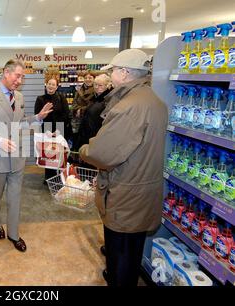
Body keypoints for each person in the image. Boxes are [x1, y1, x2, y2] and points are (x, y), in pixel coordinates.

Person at [79, 49, 167, 286]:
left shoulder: (128, 106)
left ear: (125, 73)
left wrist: (84, 150)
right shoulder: (154, 100)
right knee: (132, 250)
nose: (111, 76)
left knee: (121, 254)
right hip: (143, 189)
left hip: (126, 192)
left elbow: (104, 153)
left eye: (113, 71)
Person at [0, 59, 53, 252]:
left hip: (17, 158)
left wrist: (37, 118)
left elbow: (19, 123)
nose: (20, 80)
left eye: (22, 77)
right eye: (18, 76)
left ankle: (14, 234)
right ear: (6, 72)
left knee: (15, 198)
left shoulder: (19, 97)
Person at [34, 77, 71, 182]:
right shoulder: (40, 99)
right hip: (47, 129)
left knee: (60, 154)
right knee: (49, 154)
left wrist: (59, 130)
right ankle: (49, 178)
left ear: (57, 87)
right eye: (49, 84)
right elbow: (37, 115)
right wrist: (47, 131)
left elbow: (66, 114)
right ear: (46, 85)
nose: (50, 86)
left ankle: (60, 178)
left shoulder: (61, 98)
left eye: (53, 84)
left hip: (60, 129)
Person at [75, 74, 113, 155]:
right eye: (95, 84)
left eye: (100, 85)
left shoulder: (109, 100)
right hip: (87, 135)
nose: (97, 87)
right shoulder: (96, 97)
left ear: (108, 86)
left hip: (96, 138)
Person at [71, 71, 95, 151]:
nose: (88, 79)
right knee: (77, 142)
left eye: (90, 78)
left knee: (87, 142)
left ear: (94, 79)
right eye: (86, 78)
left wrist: (81, 110)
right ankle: (76, 160)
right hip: (77, 121)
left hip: (89, 121)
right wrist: (76, 109)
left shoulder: (96, 91)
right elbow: (74, 103)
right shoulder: (79, 90)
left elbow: (93, 105)